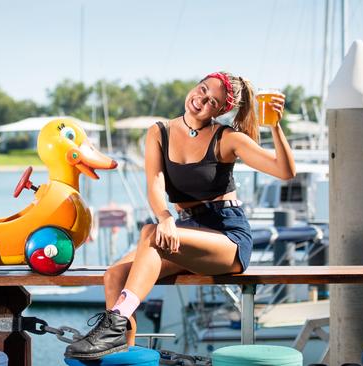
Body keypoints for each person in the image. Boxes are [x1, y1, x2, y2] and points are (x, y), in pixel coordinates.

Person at [64, 71, 296, 360]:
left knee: (150, 234)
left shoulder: (226, 138)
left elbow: (285, 171)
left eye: (212, 101)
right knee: (114, 275)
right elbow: (155, 182)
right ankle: (121, 349)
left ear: (221, 110)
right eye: (201, 90)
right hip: (183, 230)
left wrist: (275, 126)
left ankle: (113, 325)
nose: (201, 100)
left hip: (226, 236)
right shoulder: (159, 132)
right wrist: (165, 217)